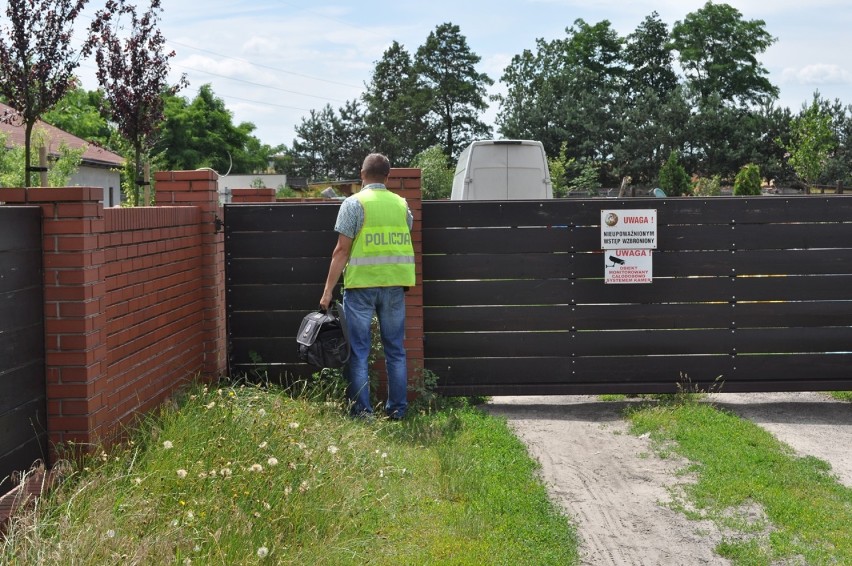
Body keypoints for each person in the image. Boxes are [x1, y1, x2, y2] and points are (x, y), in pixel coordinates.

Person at [320, 153, 415, 419]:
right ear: (388, 177)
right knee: (395, 350)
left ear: (362, 175)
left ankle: (362, 412)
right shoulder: (401, 205)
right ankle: (398, 410)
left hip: (361, 286)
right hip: (395, 285)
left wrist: (328, 291)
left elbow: (341, 251)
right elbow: (405, 232)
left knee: (359, 351)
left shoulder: (353, 204)